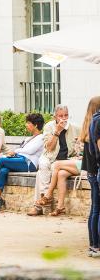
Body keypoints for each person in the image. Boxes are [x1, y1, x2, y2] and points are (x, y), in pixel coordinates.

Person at [0, 113, 45, 211]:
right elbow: (21, 150)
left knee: (1, 160)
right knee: (3, 169)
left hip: (29, 164)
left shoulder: (41, 137)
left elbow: (29, 151)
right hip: (20, 160)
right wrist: (12, 153)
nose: (26, 125)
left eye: (28, 123)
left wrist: (15, 151)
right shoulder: (28, 138)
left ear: (35, 125)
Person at [28, 105, 81, 216]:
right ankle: (46, 200)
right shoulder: (49, 127)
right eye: (60, 116)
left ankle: (40, 204)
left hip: (66, 160)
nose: (63, 118)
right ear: (55, 117)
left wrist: (79, 150)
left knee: (40, 174)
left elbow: (81, 146)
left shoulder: (75, 128)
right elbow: (49, 148)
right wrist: (57, 131)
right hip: (49, 157)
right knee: (43, 165)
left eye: (66, 115)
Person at [83, 96, 100, 257]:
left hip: (91, 172)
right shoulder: (96, 124)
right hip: (95, 172)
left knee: (94, 210)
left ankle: (93, 244)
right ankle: (96, 244)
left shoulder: (87, 124)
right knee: (96, 210)